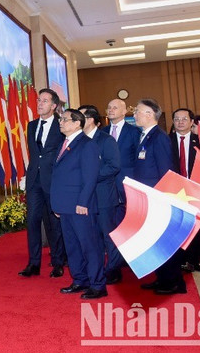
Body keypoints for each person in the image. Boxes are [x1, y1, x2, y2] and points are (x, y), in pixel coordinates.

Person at [51, 109, 106, 299]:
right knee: (72, 246)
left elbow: (90, 177)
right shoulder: (64, 143)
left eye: (65, 119)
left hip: (80, 206)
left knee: (89, 246)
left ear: (77, 124)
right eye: (61, 119)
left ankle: (98, 284)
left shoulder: (87, 145)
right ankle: (80, 280)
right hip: (65, 206)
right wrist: (57, 204)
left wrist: (83, 202)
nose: (61, 122)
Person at [133, 98, 183, 295]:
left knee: (163, 242)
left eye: (138, 111)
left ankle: (172, 281)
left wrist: (162, 199)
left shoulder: (159, 137)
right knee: (154, 241)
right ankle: (162, 277)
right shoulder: (145, 136)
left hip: (158, 198)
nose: (135, 114)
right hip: (148, 197)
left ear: (150, 114)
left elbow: (166, 171)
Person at [19, 88, 66, 278]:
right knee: (32, 222)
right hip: (34, 182)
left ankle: (57, 262)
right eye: (39, 100)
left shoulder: (62, 125)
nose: (40, 103)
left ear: (54, 106)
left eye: (45, 101)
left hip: (53, 181)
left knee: (53, 223)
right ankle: (34, 263)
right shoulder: (31, 126)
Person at [79, 105, 121, 285]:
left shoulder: (106, 140)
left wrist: (90, 177)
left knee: (108, 234)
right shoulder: (78, 141)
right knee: (91, 235)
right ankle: (95, 269)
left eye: (79, 117)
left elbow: (114, 166)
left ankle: (113, 269)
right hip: (85, 197)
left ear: (89, 120)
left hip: (103, 194)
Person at [104, 98, 141, 282]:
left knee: (129, 226)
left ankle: (129, 260)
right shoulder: (102, 133)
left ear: (124, 111)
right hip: (106, 188)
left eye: (115, 107)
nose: (111, 110)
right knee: (111, 227)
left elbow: (138, 160)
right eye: (109, 107)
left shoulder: (134, 132)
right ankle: (114, 265)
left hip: (127, 187)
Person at [169, 108, 200, 273]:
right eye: (177, 119)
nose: (180, 122)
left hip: (195, 190)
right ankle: (178, 260)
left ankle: (194, 260)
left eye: (184, 119)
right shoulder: (166, 141)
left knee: (195, 226)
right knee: (176, 225)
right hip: (172, 190)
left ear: (191, 122)